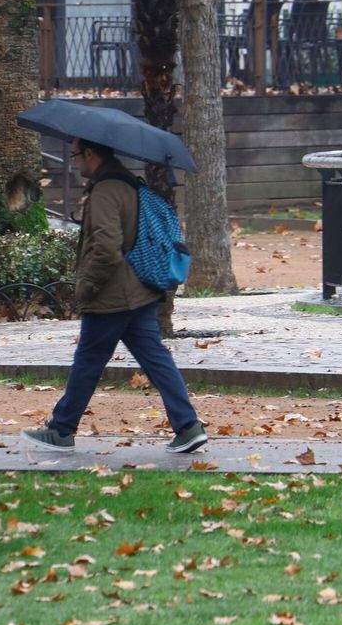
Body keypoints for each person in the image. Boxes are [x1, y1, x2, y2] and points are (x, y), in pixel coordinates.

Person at [22, 139, 208, 455]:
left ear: (91, 154)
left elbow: (107, 248)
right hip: (139, 290)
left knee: (88, 362)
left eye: (76, 155)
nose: (74, 162)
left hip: (113, 296)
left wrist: (85, 288)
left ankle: (61, 430)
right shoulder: (127, 183)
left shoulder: (106, 190)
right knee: (157, 360)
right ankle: (188, 426)